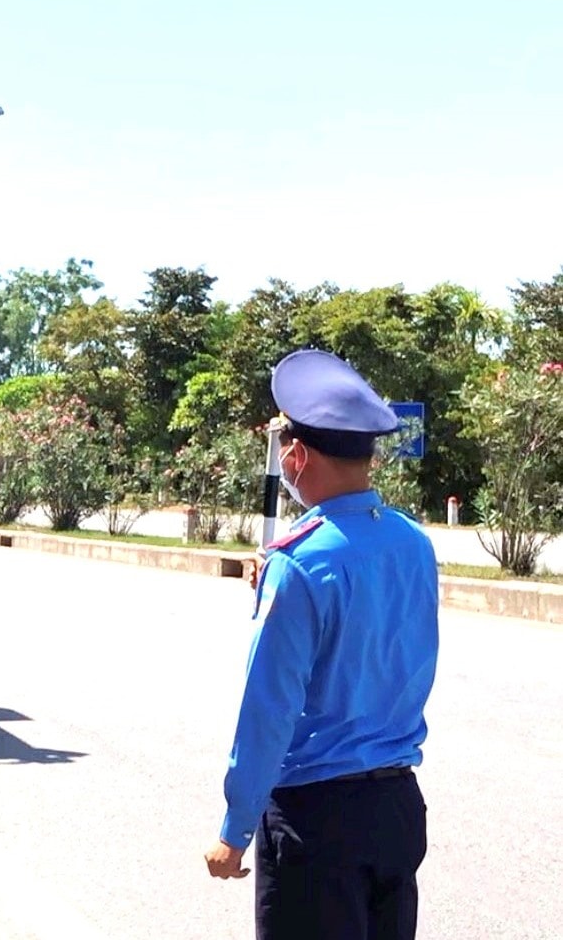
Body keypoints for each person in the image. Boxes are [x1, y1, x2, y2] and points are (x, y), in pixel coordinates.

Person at [205, 348, 440, 940]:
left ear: (299, 454)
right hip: (397, 809)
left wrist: (235, 831)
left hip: (319, 820)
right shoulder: (413, 543)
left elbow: (270, 707)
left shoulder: (300, 562)